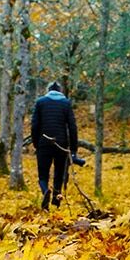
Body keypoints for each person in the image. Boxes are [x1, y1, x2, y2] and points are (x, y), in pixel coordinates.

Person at [30, 82, 79, 210]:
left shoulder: (40, 102)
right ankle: (56, 202)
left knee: (43, 174)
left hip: (44, 143)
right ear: (60, 91)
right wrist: (73, 149)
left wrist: (36, 143)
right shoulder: (66, 103)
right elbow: (72, 127)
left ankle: (46, 191)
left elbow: (34, 125)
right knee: (59, 174)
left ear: (48, 90)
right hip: (61, 144)